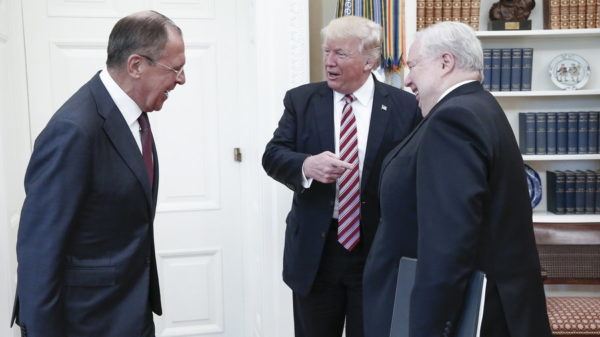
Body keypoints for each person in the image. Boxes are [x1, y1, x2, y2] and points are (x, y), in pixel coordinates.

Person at [363, 21, 552, 337]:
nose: (408, 80)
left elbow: (448, 242)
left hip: (460, 319)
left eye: (414, 66)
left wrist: (426, 328)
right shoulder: (479, 106)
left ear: (445, 62)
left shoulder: (454, 119)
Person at [11, 10, 185, 337]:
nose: (181, 79)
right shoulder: (74, 131)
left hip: (129, 311)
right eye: (175, 69)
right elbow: (39, 251)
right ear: (136, 65)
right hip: (86, 321)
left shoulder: (135, 116)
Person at [262, 15, 420, 337]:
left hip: (376, 249)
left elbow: (416, 175)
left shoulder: (405, 107)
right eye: (326, 52)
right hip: (318, 252)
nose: (329, 62)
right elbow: (273, 155)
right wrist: (307, 165)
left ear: (369, 61)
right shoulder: (301, 100)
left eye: (340, 54)